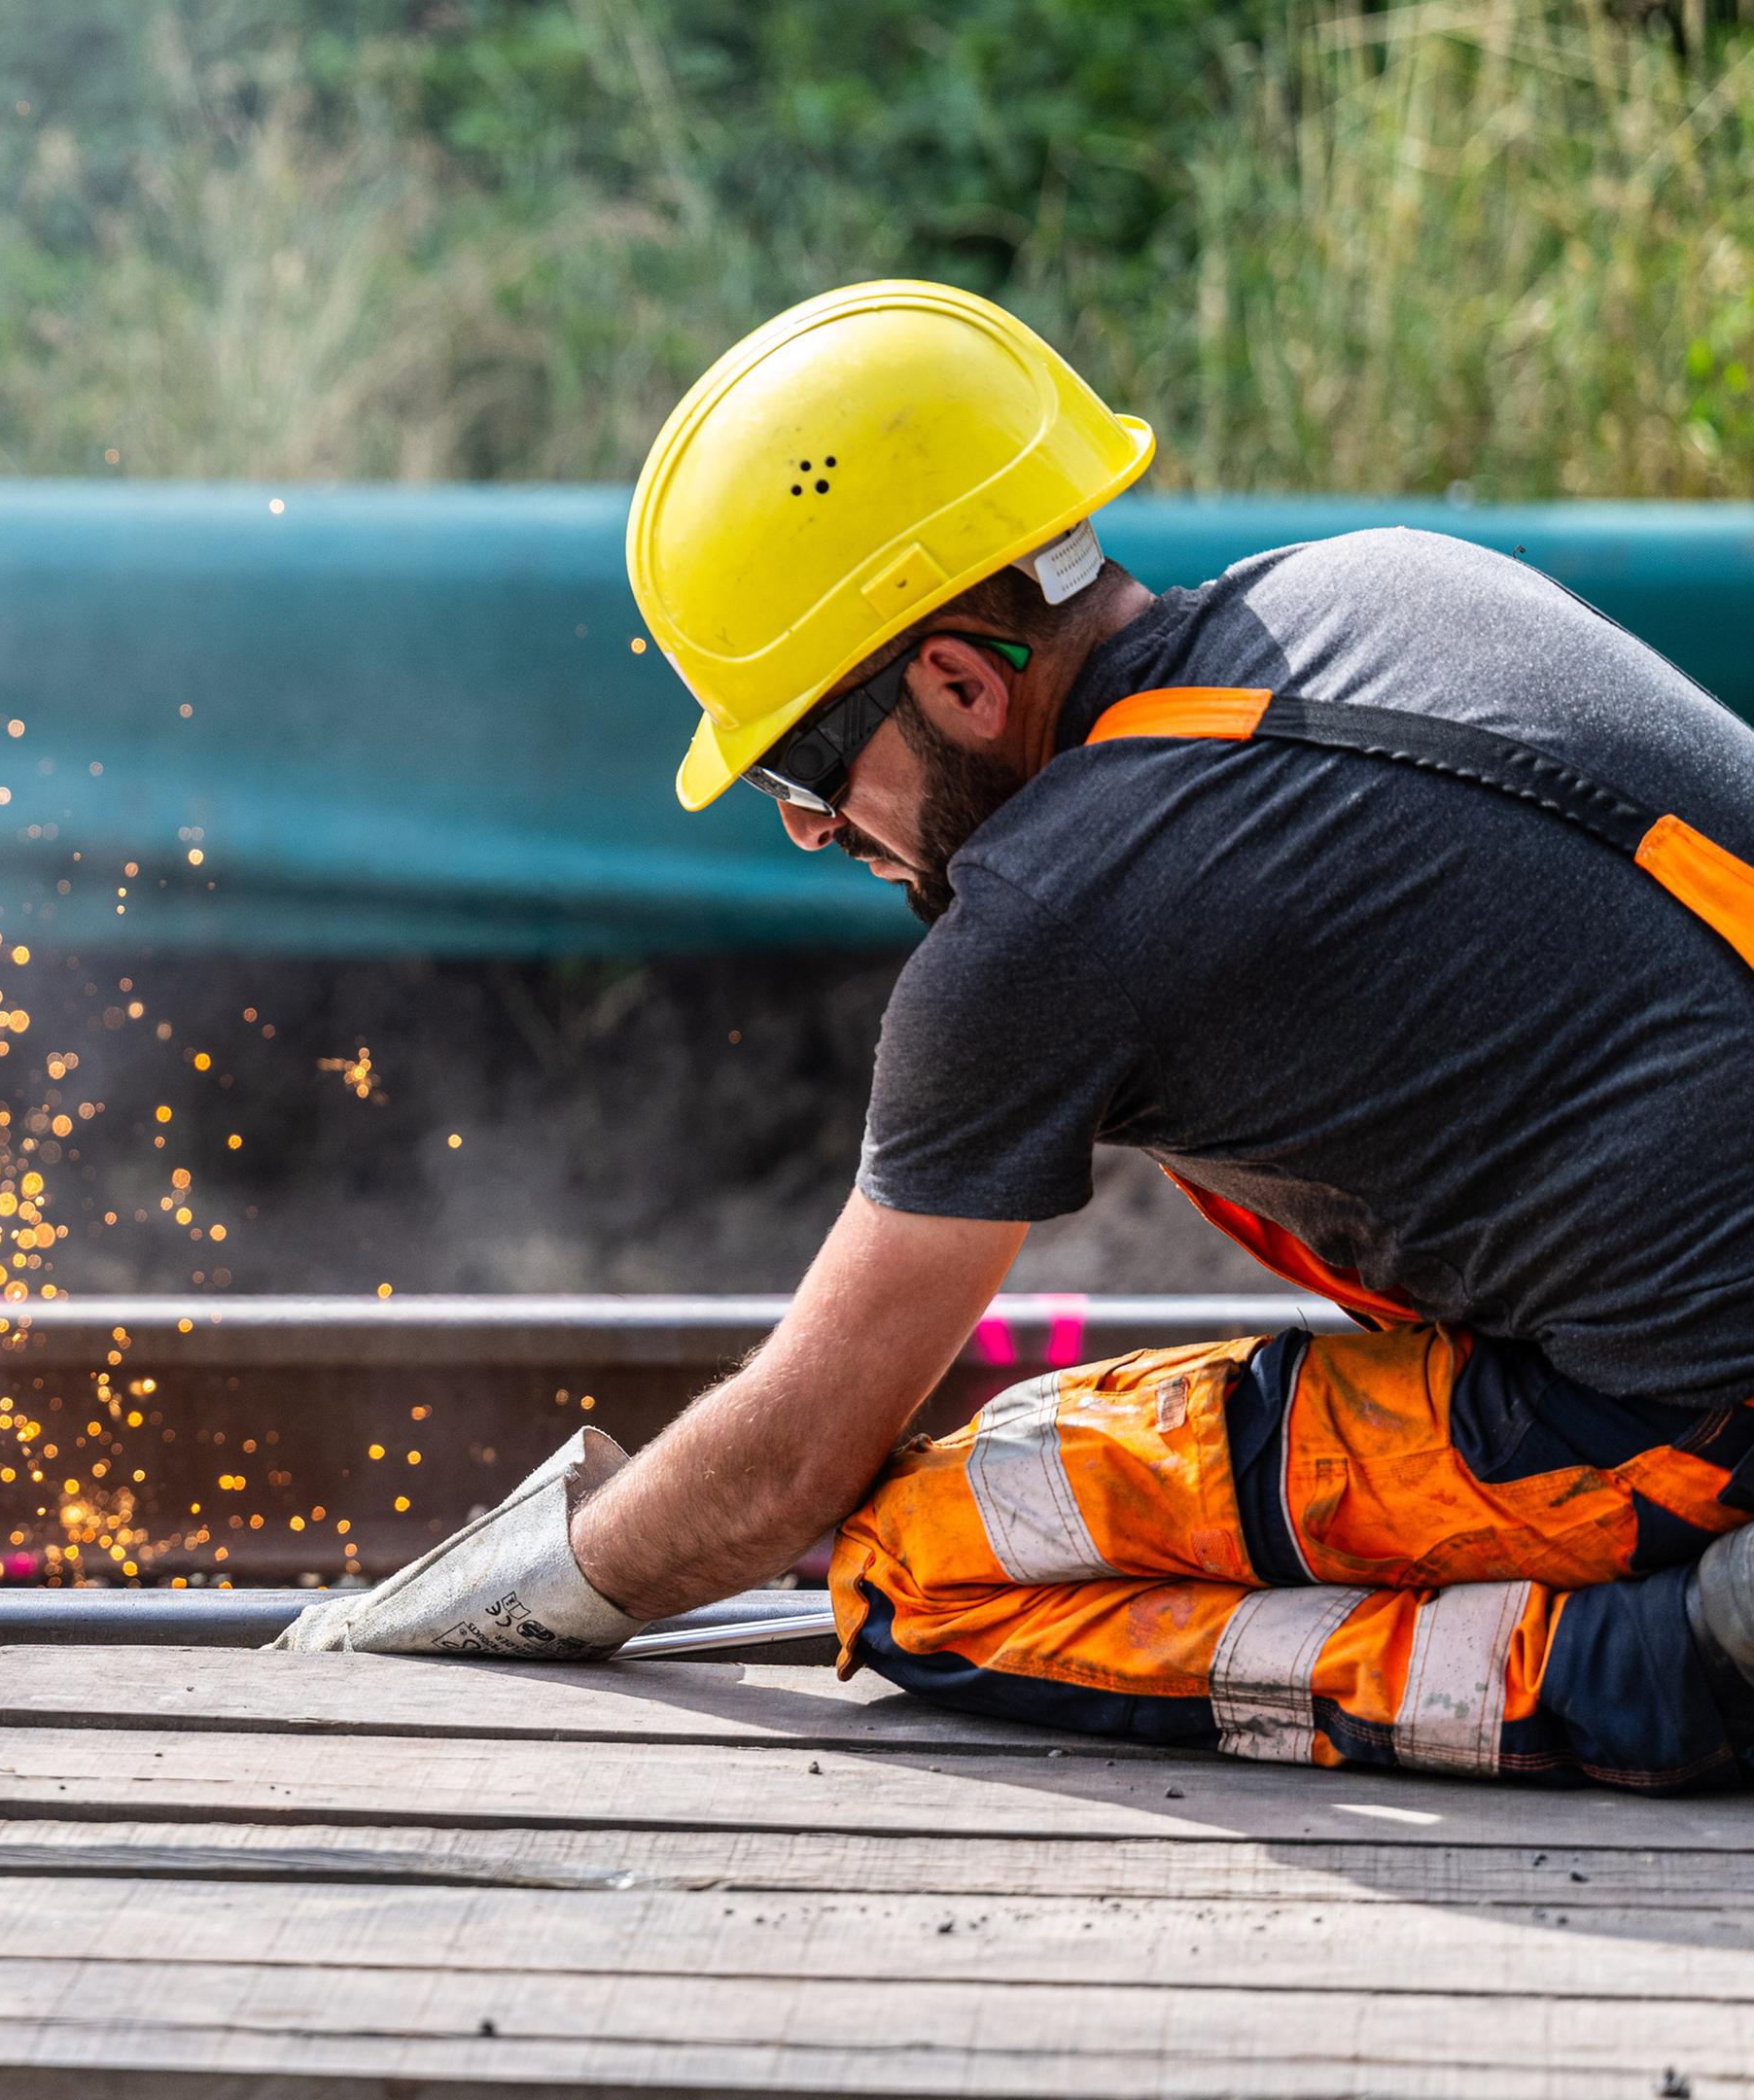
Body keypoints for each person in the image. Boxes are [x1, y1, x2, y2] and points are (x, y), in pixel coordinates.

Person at [305, 281, 1754, 1789]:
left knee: (927, 1559)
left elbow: (789, 1471)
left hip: (1700, 1407)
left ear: (957, 679)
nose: (806, 826)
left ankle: (1662, 1668)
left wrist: (444, 1625)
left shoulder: (1048, 919)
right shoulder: (1393, 582)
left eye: (802, 757)